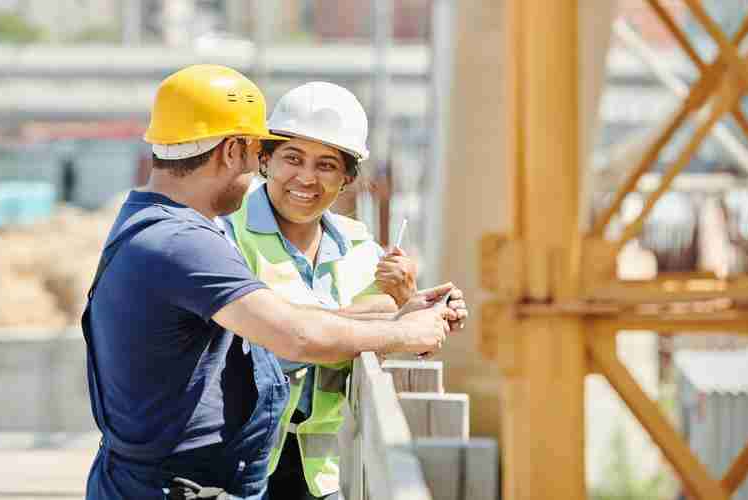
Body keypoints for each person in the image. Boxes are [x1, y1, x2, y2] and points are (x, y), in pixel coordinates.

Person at [83, 65, 465, 500]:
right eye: (257, 153)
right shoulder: (183, 242)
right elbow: (294, 335)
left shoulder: (163, 228)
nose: (257, 170)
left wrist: (399, 311)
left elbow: (286, 323)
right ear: (232, 151)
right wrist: (402, 332)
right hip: (171, 487)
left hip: (184, 483)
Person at [219, 82, 450, 500]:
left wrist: (411, 302)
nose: (307, 178)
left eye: (326, 165)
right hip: (237, 464)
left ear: (346, 178)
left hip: (321, 473)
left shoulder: (359, 245)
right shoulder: (228, 236)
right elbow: (280, 336)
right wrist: (386, 318)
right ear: (266, 160)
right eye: (293, 158)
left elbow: (378, 329)